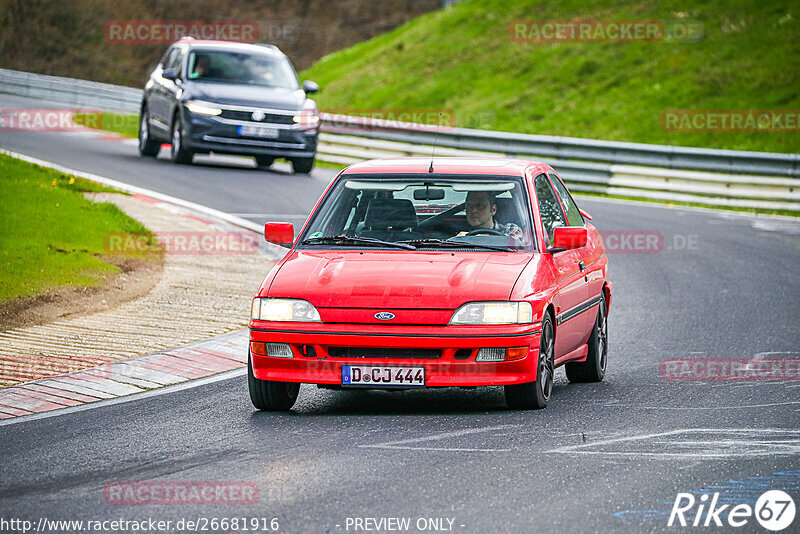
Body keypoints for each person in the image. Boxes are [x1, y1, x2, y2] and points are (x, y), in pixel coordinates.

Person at [455, 190, 523, 239]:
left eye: (480, 205)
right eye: (469, 205)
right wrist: (457, 242)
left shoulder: (509, 230)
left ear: (493, 210)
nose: (473, 210)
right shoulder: (460, 234)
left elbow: (519, 252)